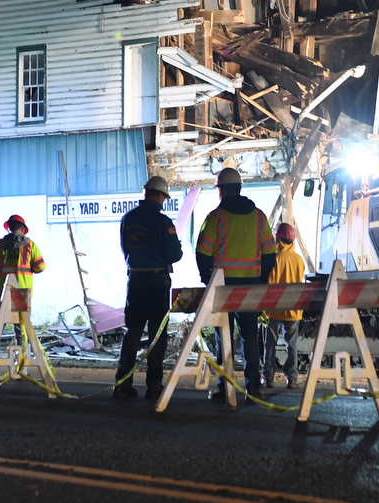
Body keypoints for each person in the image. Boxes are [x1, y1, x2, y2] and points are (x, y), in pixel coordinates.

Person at [195, 167, 276, 399]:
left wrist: (206, 278)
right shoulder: (259, 217)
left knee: (224, 335)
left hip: (223, 287)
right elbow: (270, 254)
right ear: (239, 189)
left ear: (221, 191)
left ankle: (224, 386)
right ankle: (253, 388)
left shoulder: (216, 218)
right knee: (250, 335)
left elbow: (202, 253)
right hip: (251, 286)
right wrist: (261, 280)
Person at [113, 176, 183, 400]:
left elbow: (125, 248)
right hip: (156, 282)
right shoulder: (163, 222)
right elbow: (175, 254)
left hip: (135, 280)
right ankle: (154, 385)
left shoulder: (128, 218)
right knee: (157, 333)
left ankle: (122, 384)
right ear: (160, 196)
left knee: (132, 332)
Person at [0, 214, 46, 347]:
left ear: (9, 229)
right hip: (22, 297)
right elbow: (40, 267)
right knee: (21, 332)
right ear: (23, 230)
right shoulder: (30, 246)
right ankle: (22, 367)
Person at [262, 223, 305, 389]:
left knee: (270, 345)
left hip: (274, 311)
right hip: (294, 311)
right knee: (292, 345)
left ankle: (268, 378)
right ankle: (292, 378)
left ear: (278, 239)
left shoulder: (274, 259)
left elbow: (269, 286)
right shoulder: (299, 261)